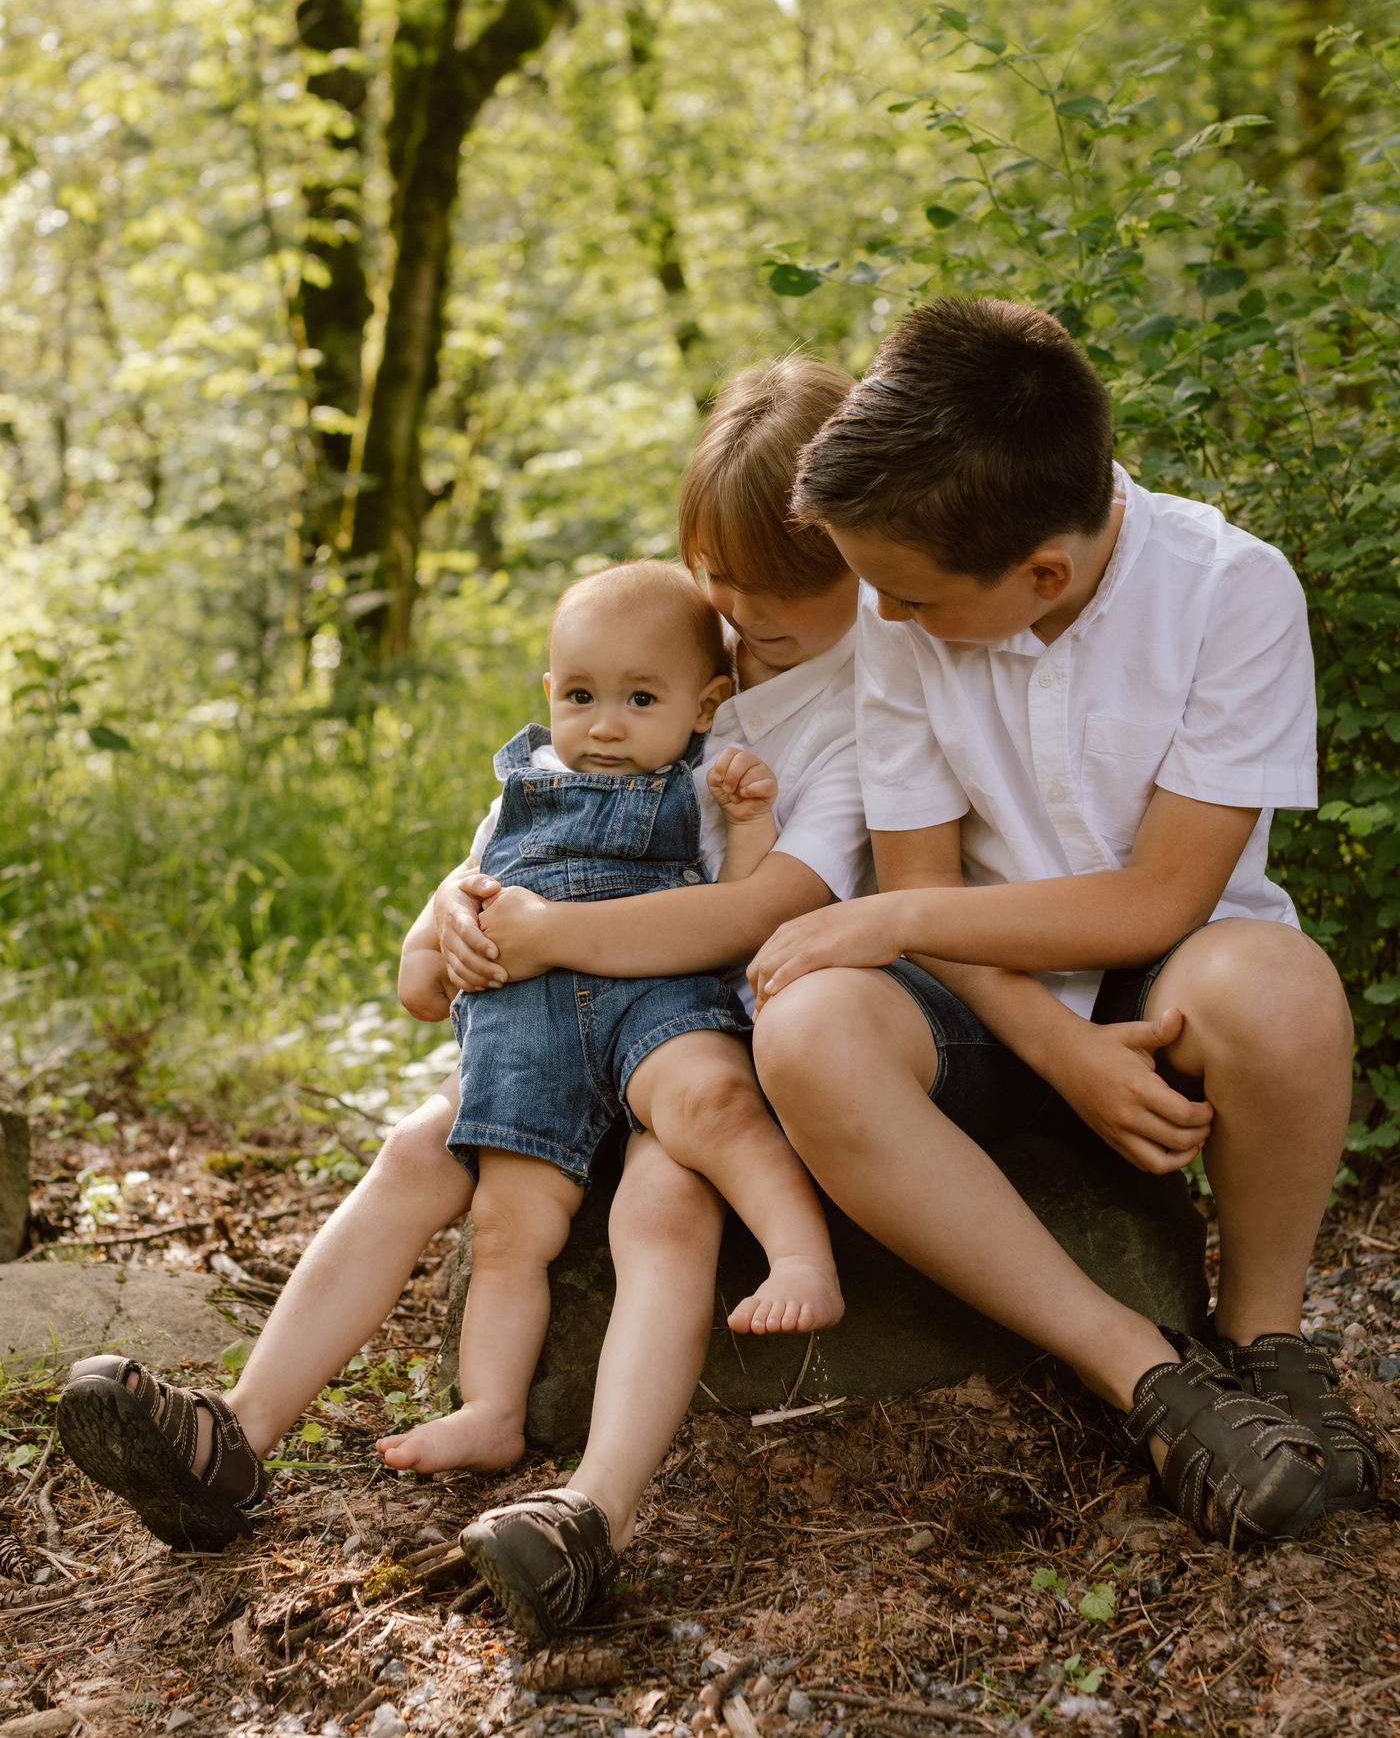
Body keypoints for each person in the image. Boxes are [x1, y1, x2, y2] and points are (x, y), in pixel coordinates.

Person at [54, 358, 873, 1597]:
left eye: (777, 593)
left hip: (708, 1028)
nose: (743, 612)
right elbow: (470, 907)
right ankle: (234, 1433)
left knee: (668, 1202)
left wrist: (549, 935)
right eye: (723, 583)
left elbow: (760, 902)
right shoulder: (650, 647)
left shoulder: (872, 704)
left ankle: (594, 1507)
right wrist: (451, 922)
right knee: (414, 1149)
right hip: (546, 1032)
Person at [738, 296, 1377, 1547]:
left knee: (1286, 987)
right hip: (972, 994)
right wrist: (1050, 1043)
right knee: (809, 1032)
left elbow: (1160, 896)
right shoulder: (898, 607)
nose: (888, 617)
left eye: (913, 599)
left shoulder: (1230, 592)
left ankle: (1262, 1338)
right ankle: (1142, 1371)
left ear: (1041, 570)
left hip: (1169, 975)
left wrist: (890, 917)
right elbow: (923, 871)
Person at [390, 557, 843, 1478]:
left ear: (705, 705)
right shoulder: (517, 791)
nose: (605, 725)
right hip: (533, 1038)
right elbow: (444, 931)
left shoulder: (703, 783)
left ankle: (800, 1257)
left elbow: (738, 904)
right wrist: (434, 949)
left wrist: (753, 819)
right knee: (507, 1224)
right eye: (584, 695)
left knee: (714, 1100)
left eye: (642, 699)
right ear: (549, 691)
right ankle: (489, 1407)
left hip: (657, 1008)